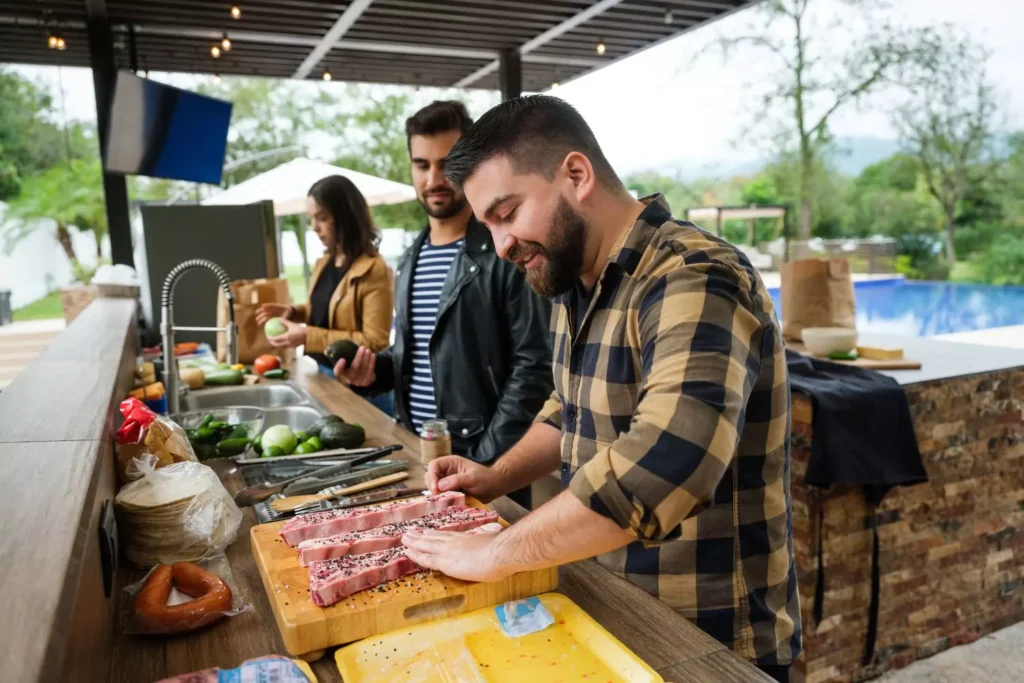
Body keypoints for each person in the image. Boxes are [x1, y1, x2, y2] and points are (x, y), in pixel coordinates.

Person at [399, 96, 801, 682]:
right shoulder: (573, 280)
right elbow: (569, 410)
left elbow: (664, 464)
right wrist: (495, 476)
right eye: (489, 225)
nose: (503, 244)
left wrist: (491, 555)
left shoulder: (694, 275)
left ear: (577, 175)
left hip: (710, 642)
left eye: (508, 212)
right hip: (611, 617)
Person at [333, 101, 552, 506]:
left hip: (486, 463)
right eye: (421, 164)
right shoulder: (410, 256)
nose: (434, 178)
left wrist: (487, 465)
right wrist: (375, 373)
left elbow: (535, 369)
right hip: (417, 454)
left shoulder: (505, 251)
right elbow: (422, 356)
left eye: (447, 162)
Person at [256, 175, 394, 412]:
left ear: (346, 218)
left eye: (322, 218)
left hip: (362, 387)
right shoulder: (325, 262)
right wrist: (293, 312)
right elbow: (325, 311)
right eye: (312, 218)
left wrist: (307, 336)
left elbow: (375, 341)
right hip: (324, 374)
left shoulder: (376, 269)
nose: (314, 227)